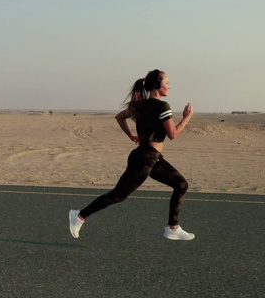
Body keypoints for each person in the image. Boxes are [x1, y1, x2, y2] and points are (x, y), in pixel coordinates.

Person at [69, 69, 195, 240]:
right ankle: (79, 216)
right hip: (144, 159)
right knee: (118, 195)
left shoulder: (139, 105)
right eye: (167, 83)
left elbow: (119, 117)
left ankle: (173, 228)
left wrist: (131, 136)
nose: (169, 87)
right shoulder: (162, 106)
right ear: (157, 85)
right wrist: (187, 118)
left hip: (152, 158)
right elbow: (172, 134)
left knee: (181, 185)